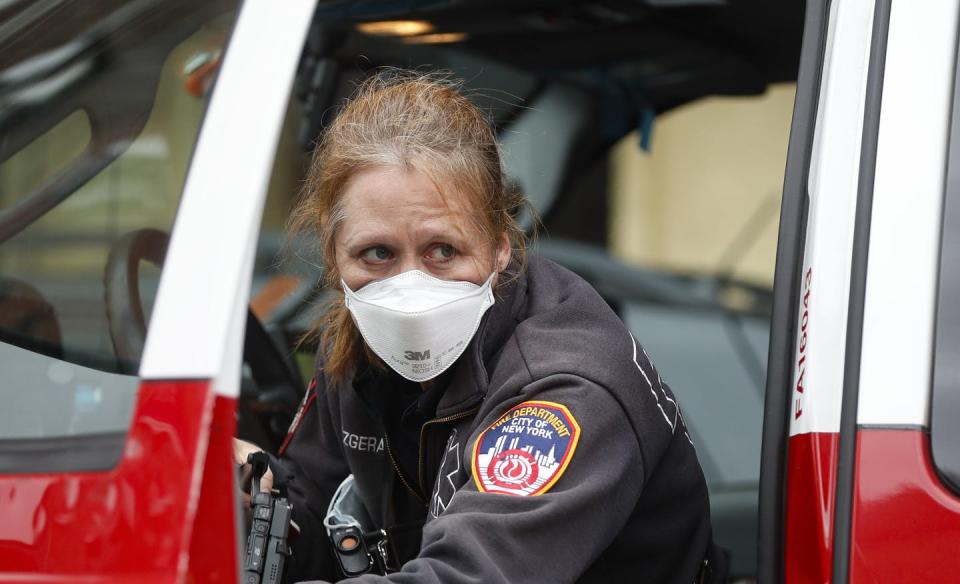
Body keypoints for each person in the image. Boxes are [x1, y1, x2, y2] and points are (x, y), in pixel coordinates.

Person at [234, 71, 717, 583]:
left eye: (444, 251)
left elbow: (465, 577)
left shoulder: (566, 388)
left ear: (501, 246)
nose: (408, 290)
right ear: (333, 260)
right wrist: (249, 494)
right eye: (377, 253)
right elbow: (312, 514)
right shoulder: (354, 342)